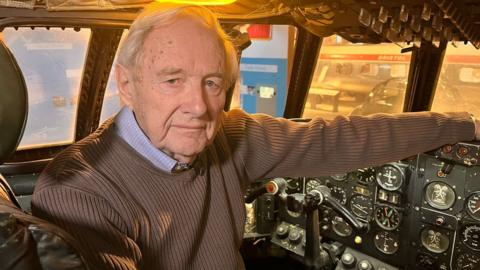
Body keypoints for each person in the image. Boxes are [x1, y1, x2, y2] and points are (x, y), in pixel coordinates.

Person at [32, 3, 480, 270]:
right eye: (172, 80)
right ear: (126, 85)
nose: (198, 105)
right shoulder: (78, 190)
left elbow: (340, 139)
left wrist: (465, 125)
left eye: (212, 82)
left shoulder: (229, 134)